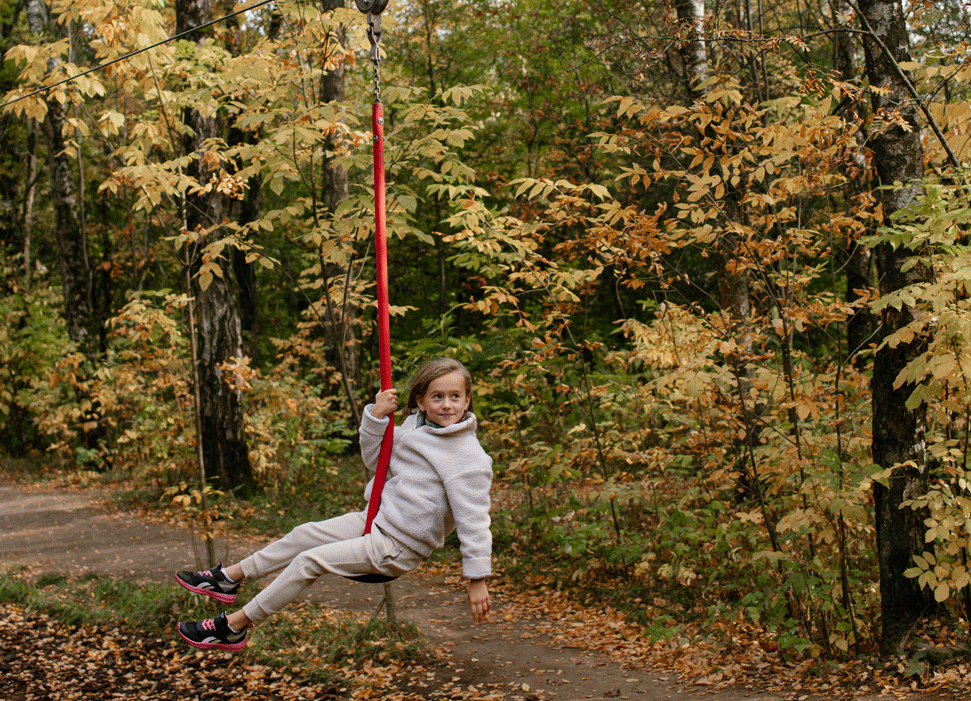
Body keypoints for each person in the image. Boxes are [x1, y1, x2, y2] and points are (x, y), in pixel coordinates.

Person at [174, 357, 493, 651]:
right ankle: (228, 578)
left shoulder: (468, 457)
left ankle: (233, 626)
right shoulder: (414, 430)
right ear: (420, 401)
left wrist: (476, 578)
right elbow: (375, 462)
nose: (447, 405)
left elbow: (474, 520)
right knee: (303, 535)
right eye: (437, 397)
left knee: (308, 562)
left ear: (467, 401)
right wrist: (377, 417)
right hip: (376, 519)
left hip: (398, 545)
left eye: (455, 397)